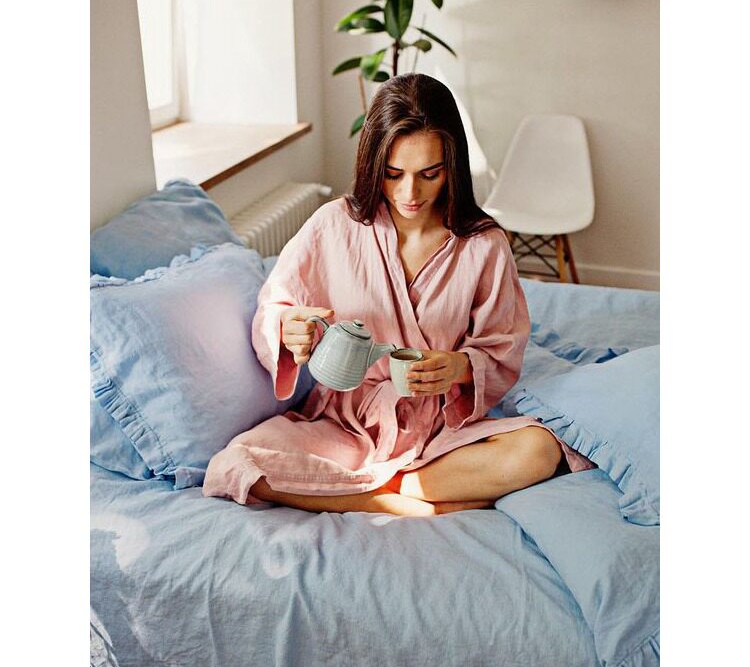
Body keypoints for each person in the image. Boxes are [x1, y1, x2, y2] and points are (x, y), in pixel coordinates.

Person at [203, 73, 591, 516]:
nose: (410, 193)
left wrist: (459, 367)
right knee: (238, 464)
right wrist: (288, 329)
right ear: (373, 164)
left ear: (452, 166)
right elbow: (276, 306)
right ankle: (405, 497)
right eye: (393, 174)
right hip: (346, 425)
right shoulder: (334, 225)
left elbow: (503, 346)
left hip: (441, 426)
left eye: (430, 174)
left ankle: (376, 488)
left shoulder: (484, 245)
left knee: (539, 450)